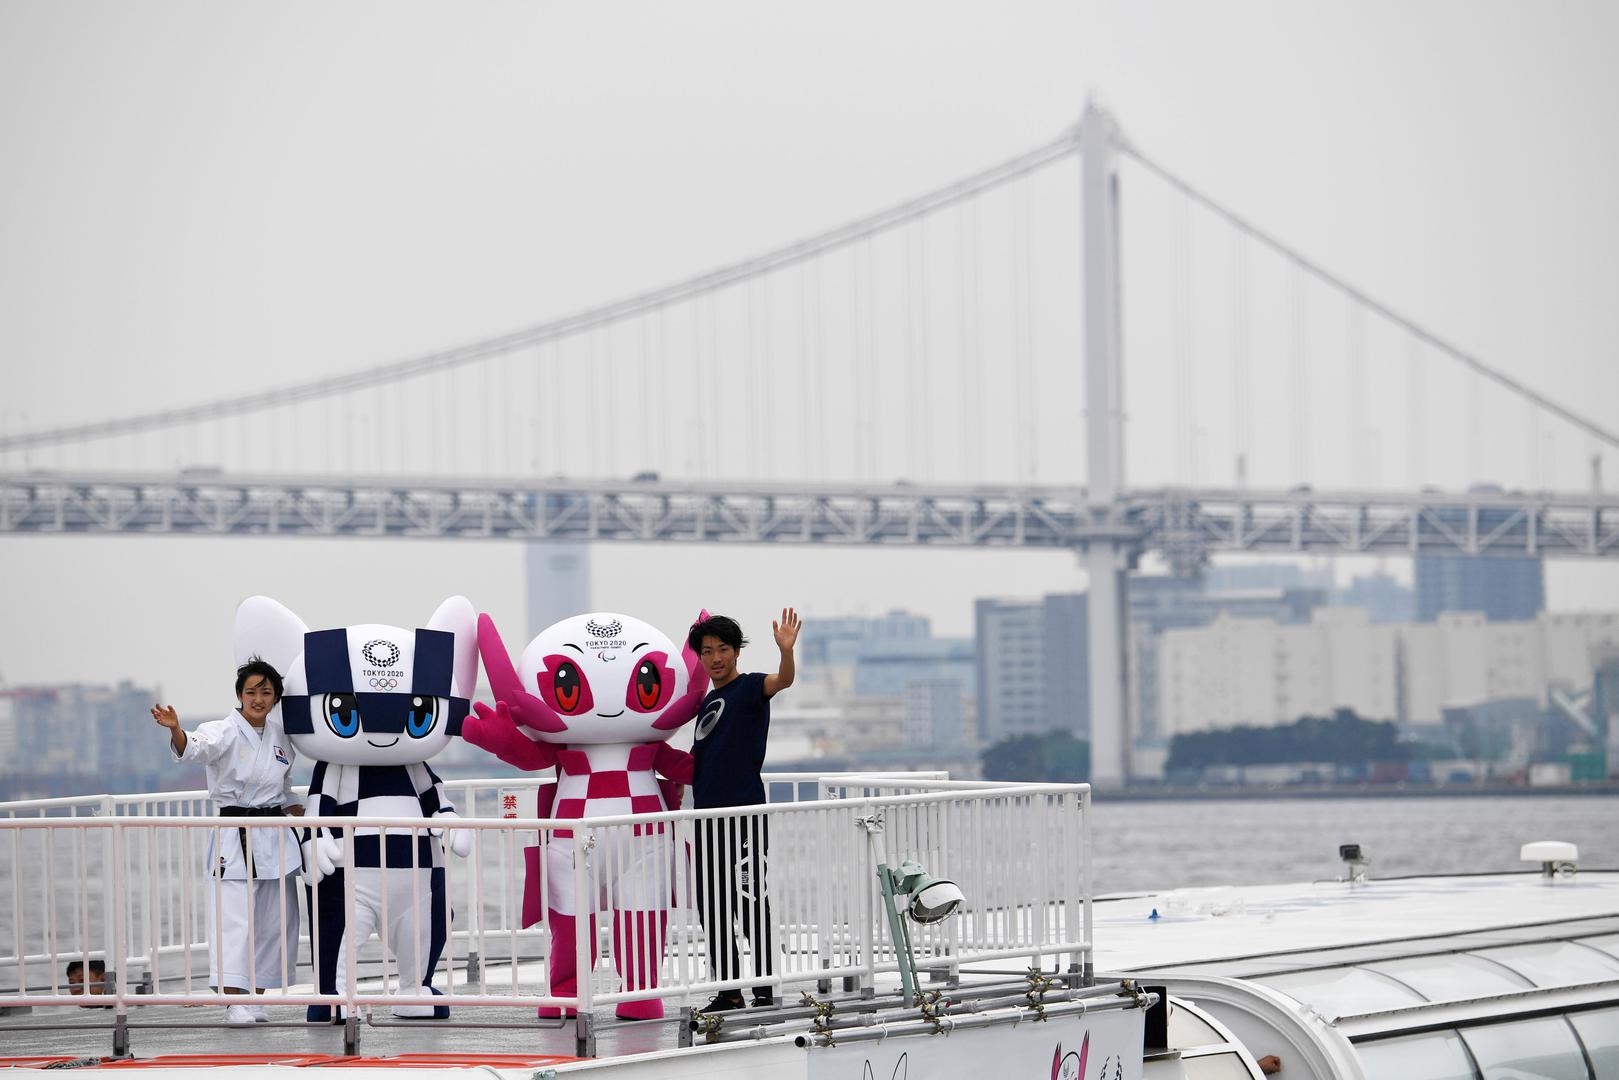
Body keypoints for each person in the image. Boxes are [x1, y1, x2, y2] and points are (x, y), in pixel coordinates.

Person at [153, 656, 304, 1026]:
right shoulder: (223, 730)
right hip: (235, 837)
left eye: (266, 692)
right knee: (234, 918)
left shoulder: (280, 736)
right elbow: (197, 747)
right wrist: (177, 731)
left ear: (275, 698)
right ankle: (233, 1000)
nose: (258, 698)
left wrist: (295, 807)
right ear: (239, 695)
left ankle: (256, 997)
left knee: (276, 920)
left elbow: (282, 785)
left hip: (274, 834)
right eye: (251, 691)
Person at [685, 608, 799, 1012]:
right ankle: (729, 991)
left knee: (749, 898)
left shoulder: (750, 688)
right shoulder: (708, 702)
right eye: (707, 651)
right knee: (712, 903)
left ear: (737, 652)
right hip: (707, 819)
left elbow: (783, 680)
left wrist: (785, 651)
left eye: (723, 650)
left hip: (745, 816)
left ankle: (765, 986)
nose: (715, 658)